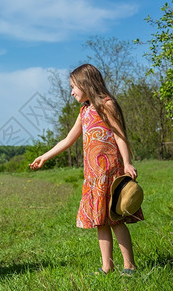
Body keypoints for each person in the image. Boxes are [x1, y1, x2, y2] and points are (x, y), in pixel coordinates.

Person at [29, 64, 143, 274]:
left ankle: (129, 266)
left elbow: (119, 135)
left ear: (86, 84)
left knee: (116, 219)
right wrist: (44, 156)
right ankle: (107, 267)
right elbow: (68, 140)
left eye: (74, 87)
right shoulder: (84, 111)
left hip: (111, 172)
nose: (72, 92)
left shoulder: (107, 105)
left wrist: (127, 163)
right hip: (93, 175)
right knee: (100, 222)